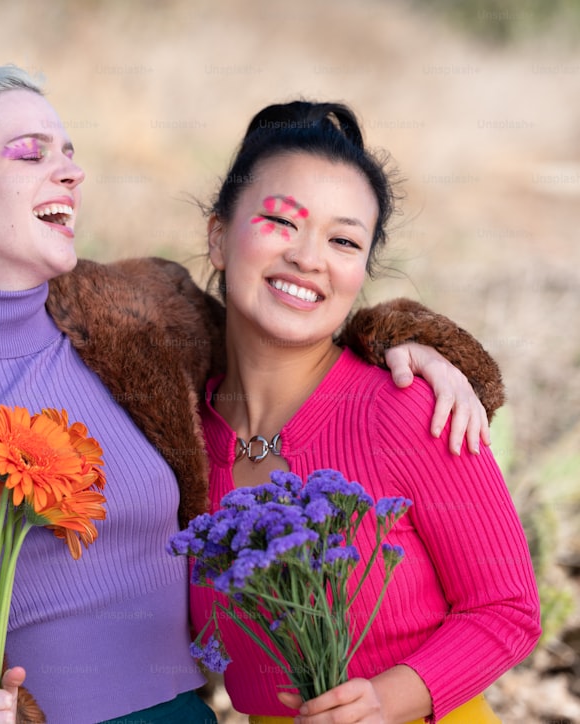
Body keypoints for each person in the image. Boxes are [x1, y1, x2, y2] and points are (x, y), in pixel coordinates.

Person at [0, 62, 499, 723]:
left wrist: (410, 343)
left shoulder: (145, 323)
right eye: (31, 153)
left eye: (71, 154)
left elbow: (285, 329)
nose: (70, 171)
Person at [191, 100, 541, 723]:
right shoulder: (178, 434)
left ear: (361, 270)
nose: (308, 257)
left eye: (343, 239)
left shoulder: (410, 408)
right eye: (280, 221)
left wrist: (387, 699)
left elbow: (507, 607)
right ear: (218, 236)